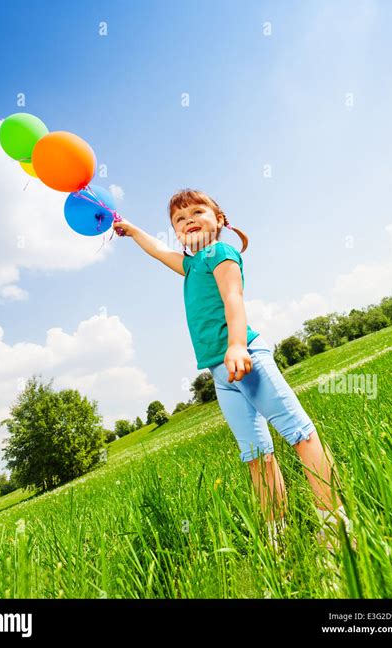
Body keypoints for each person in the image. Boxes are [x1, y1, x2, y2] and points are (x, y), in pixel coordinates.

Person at [113, 188, 354, 552]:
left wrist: (238, 344)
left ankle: (335, 530)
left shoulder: (221, 252)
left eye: (197, 212)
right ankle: (279, 539)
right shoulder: (192, 265)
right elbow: (160, 252)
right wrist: (131, 230)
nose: (188, 220)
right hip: (220, 373)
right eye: (179, 219)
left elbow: (233, 298)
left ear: (220, 221)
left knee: (301, 434)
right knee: (256, 456)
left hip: (245, 356)